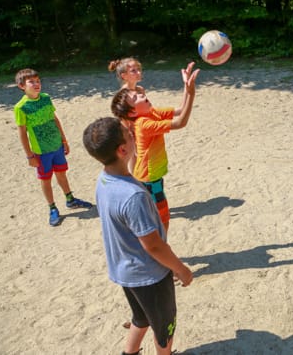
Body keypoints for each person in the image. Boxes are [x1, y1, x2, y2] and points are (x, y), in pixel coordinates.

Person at [82, 117, 193, 355]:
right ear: (123, 150)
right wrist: (180, 269)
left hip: (124, 270)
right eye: (128, 133)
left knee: (140, 317)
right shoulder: (133, 196)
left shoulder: (104, 180)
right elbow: (153, 245)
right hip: (149, 275)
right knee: (165, 326)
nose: (133, 132)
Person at [111, 61, 199, 233]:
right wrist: (192, 93)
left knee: (156, 216)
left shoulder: (151, 112)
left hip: (151, 175)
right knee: (162, 217)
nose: (142, 95)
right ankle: (160, 249)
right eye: (137, 98)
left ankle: (157, 247)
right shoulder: (143, 123)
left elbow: (180, 111)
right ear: (133, 112)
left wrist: (187, 88)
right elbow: (180, 123)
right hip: (149, 178)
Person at [14, 68, 92, 226]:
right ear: (22, 86)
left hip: (56, 146)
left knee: (62, 174)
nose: (36, 84)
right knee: (46, 179)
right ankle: (52, 208)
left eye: (38, 81)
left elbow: (55, 119)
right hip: (41, 152)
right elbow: (22, 133)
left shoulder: (46, 98)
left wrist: (64, 140)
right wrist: (29, 155)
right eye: (31, 82)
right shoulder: (21, 107)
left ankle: (70, 199)